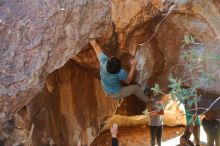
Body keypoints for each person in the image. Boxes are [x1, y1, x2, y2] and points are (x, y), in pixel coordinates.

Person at [89, 39, 150, 104]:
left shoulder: (103, 62)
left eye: (111, 58)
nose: (111, 56)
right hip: (116, 94)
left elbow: (95, 46)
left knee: (118, 83)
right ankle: (148, 101)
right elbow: (128, 81)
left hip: (106, 89)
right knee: (135, 88)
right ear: (119, 69)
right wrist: (133, 66)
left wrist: (91, 39)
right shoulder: (120, 73)